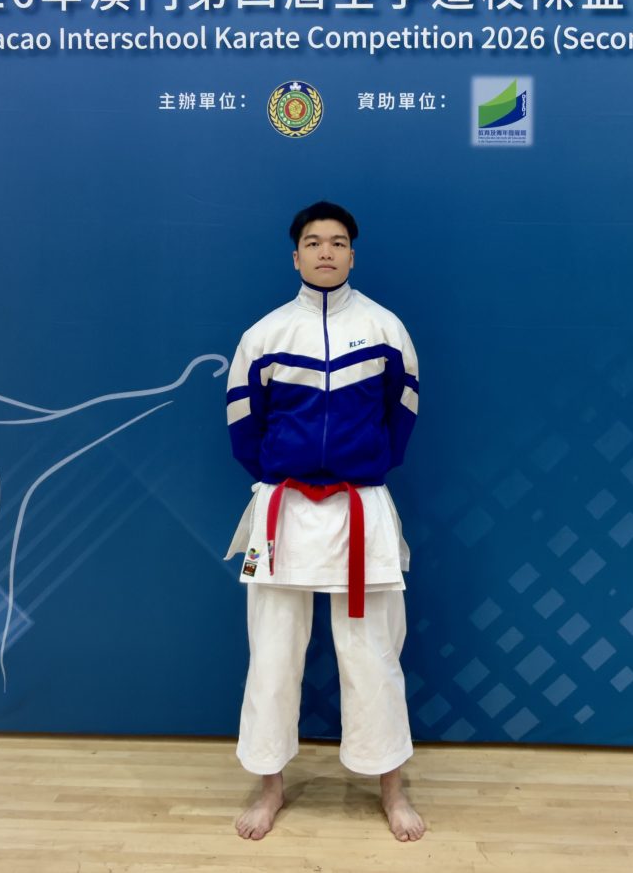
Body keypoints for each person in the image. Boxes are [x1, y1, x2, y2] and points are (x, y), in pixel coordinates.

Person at [224, 201, 425, 842]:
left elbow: (402, 417)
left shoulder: (385, 328)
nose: (326, 252)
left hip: (360, 505)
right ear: (296, 257)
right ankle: (269, 788)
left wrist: (362, 467)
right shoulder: (265, 335)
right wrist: (287, 473)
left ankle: (392, 788)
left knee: (374, 655)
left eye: (338, 242)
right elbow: (243, 427)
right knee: (273, 652)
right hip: (283, 508)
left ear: (352, 254)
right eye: (313, 243)